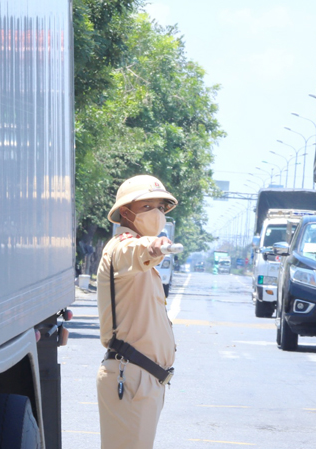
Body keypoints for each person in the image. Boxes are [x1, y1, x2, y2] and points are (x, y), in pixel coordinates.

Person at [96, 175, 178, 449]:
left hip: (144, 379)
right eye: (148, 206)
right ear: (126, 212)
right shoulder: (121, 247)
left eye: (161, 207)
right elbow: (136, 251)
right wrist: (155, 246)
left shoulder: (141, 262)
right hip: (130, 377)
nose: (157, 213)